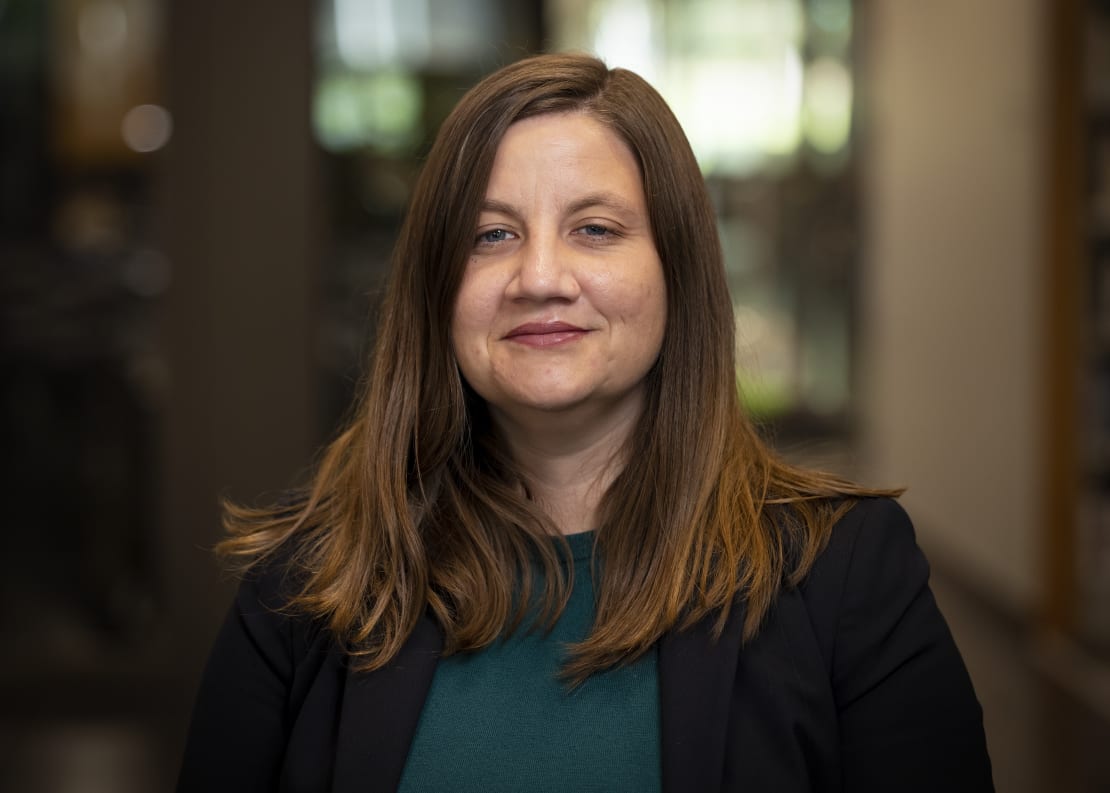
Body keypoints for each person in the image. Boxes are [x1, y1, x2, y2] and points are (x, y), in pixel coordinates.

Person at [176, 53, 993, 792]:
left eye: (595, 230)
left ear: (678, 271)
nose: (539, 276)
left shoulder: (846, 575)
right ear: (436, 288)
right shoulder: (305, 584)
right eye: (491, 235)